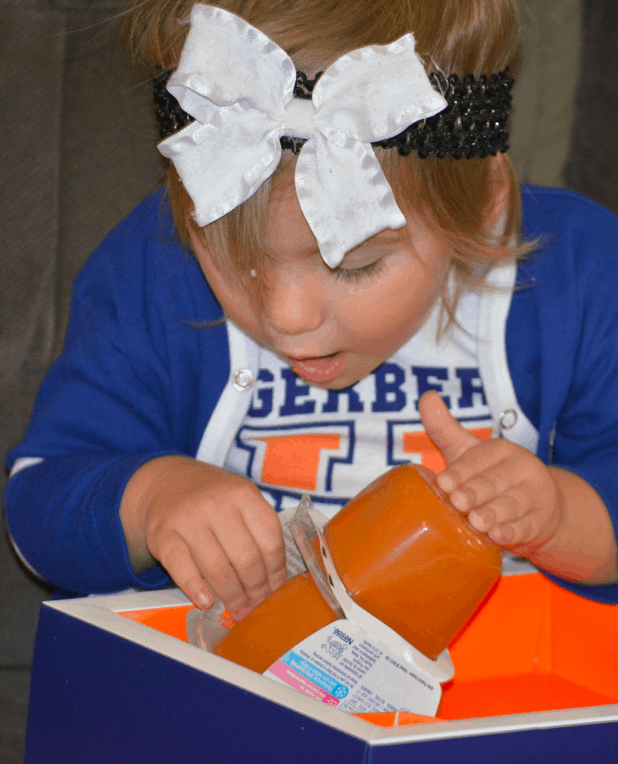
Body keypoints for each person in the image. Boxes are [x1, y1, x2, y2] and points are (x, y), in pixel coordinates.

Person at [5, 0, 618, 619]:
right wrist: (150, 502)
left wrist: (562, 516)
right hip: (235, 693)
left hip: (495, 694)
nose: (287, 316)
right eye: (233, 257)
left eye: (354, 267)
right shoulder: (152, 266)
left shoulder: (581, 273)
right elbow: (38, 508)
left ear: (486, 201)